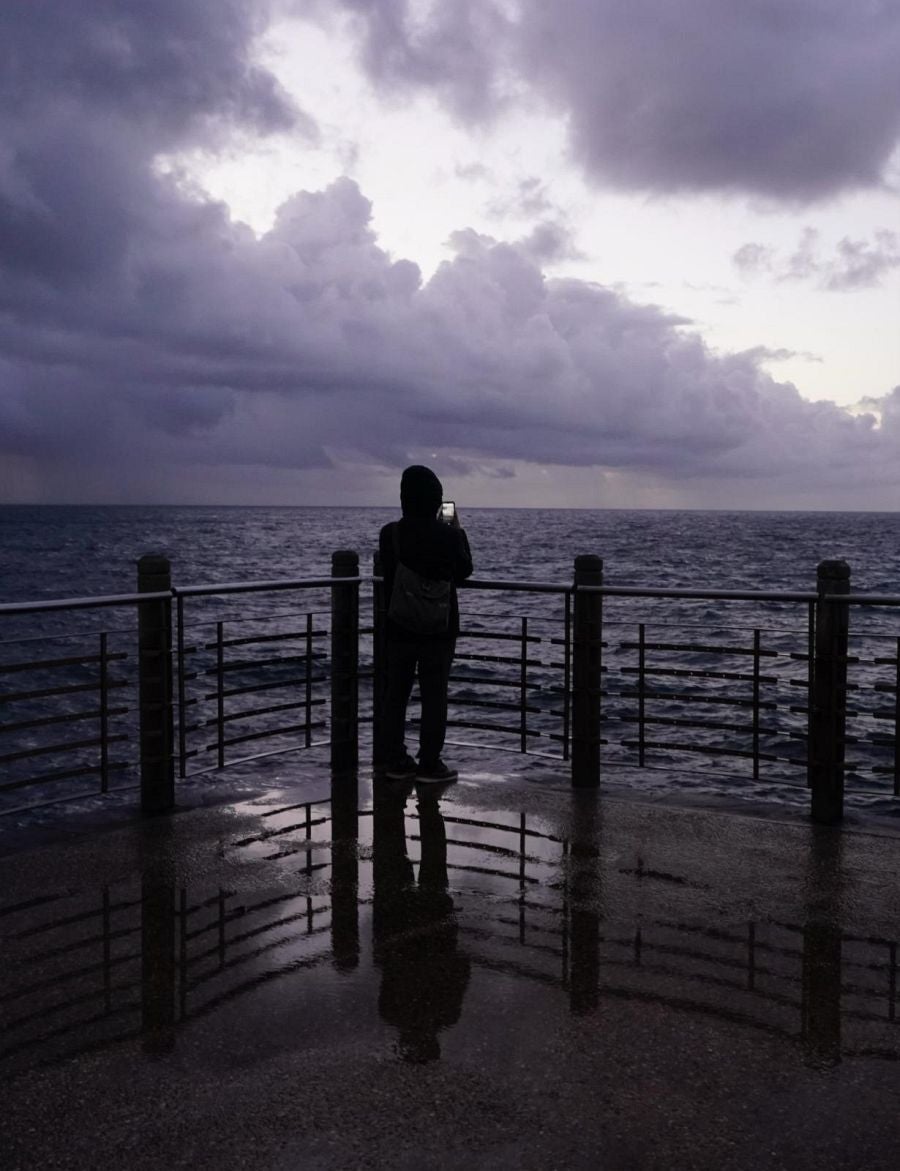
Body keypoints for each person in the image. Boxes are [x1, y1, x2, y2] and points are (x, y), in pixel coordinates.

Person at [378, 464, 473, 782]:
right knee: (435, 696)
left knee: (396, 694)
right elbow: (464, 570)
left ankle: (394, 759)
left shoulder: (390, 534)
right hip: (439, 628)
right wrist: (457, 531)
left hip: (399, 626)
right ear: (437, 501)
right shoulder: (448, 536)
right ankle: (430, 763)